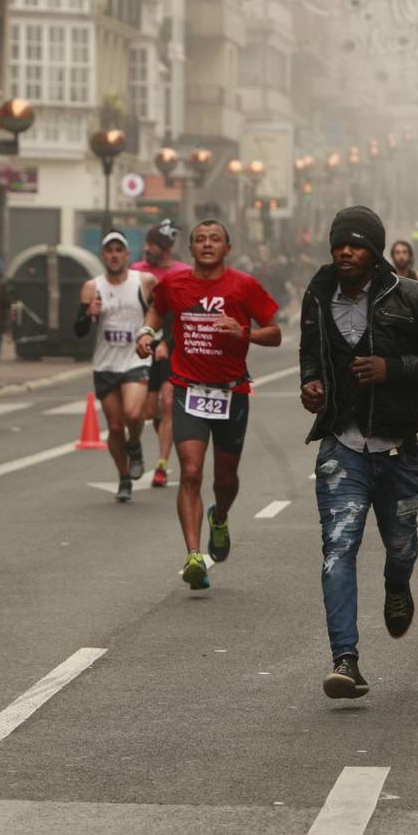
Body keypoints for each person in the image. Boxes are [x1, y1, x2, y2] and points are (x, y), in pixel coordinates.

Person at [298, 205, 418, 699]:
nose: (345, 252)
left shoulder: (412, 296)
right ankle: (345, 660)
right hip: (342, 446)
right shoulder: (317, 296)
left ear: (374, 250)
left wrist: (393, 368)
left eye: (355, 244)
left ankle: (398, 587)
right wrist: (310, 384)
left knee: (400, 547)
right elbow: (310, 353)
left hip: (397, 448)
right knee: (339, 549)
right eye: (339, 243)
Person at [136, 220, 280, 589]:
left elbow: (275, 332)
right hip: (188, 390)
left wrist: (243, 332)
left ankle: (221, 517)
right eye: (200, 239)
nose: (207, 244)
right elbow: (156, 310)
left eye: (215, 239)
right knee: (191, 471)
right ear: (191, 249)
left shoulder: (244, 285)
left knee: (226, 479)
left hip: (232, 393)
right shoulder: (176, 284)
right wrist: (146, 333)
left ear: (227, 248)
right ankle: (193, 555)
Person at [76, 232, 156, 501]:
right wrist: (88, 315)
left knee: (134, 414)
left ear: (127, 255)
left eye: (118, 249)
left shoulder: (144, 282)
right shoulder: (92, 287)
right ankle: (124, 477)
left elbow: (160, 315)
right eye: (109, 250)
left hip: (136, 359)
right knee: (113, 426)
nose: (113, 254)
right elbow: (78, 331)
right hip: (106, 363)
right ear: (103, 255)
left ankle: (134, 445)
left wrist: (161, 340)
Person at [132, 220, 191, 488]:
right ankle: (151, 443)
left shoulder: (182, 272)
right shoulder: (136, 270)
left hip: (171, 344)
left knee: (168, 404)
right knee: (147, 410)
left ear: (165, 248)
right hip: (140, 345)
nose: (147, 249)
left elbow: (182, 314)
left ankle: (162, 466)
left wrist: (168, 341)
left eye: (152, 245)